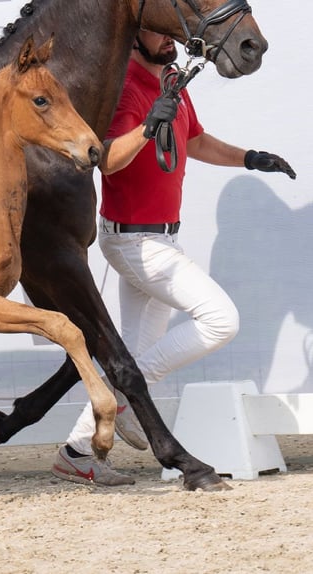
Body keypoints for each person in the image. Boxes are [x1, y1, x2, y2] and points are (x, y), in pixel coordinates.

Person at [51, 31, 296, 486]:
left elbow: (197, 140)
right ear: (135, 32)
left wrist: (250, 158)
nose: (169, 38)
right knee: (221, 320)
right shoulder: (122, 86)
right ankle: (124, 402)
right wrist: (147, 125)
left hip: (163, 240)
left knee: (138, 352)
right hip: (133, 241)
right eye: (158, 29)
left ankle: (77, 452)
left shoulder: (170, 79)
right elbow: (107, 161)